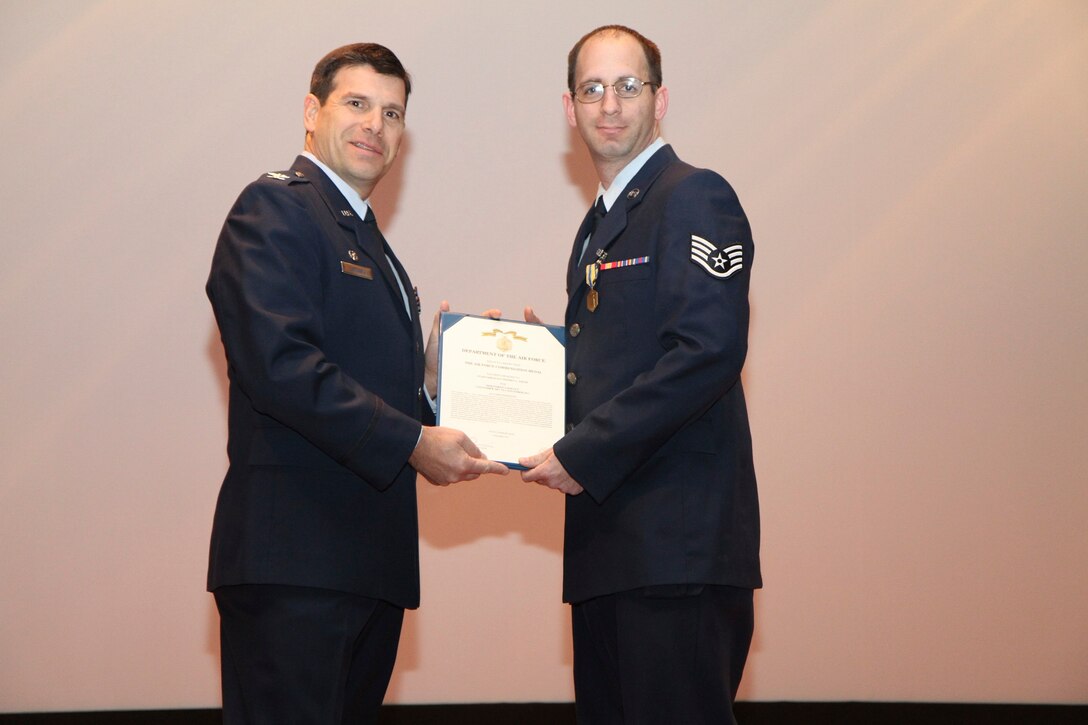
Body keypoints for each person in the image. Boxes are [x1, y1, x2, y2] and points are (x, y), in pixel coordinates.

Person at [205, 43, 507, 724]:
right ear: (312, 113)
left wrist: (429, 383)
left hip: (364, 566)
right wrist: (413, 443)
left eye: (392, 113)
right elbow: (281, 365)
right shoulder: (275, 208)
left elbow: (357, 378)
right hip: (296, 564)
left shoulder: (365, 237)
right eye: (357, 103)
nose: (376, 124)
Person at [520, 25, 762, 724]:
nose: (609, 105)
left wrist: (583, 451)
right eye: (592, 89)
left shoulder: (693, 196)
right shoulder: (599, 224)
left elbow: (706, 350)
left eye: (628, 86)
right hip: (611, 551)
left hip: (674, 552)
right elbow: (626, 359)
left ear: (660, 100)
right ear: (569, 109)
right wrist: (542, 367)